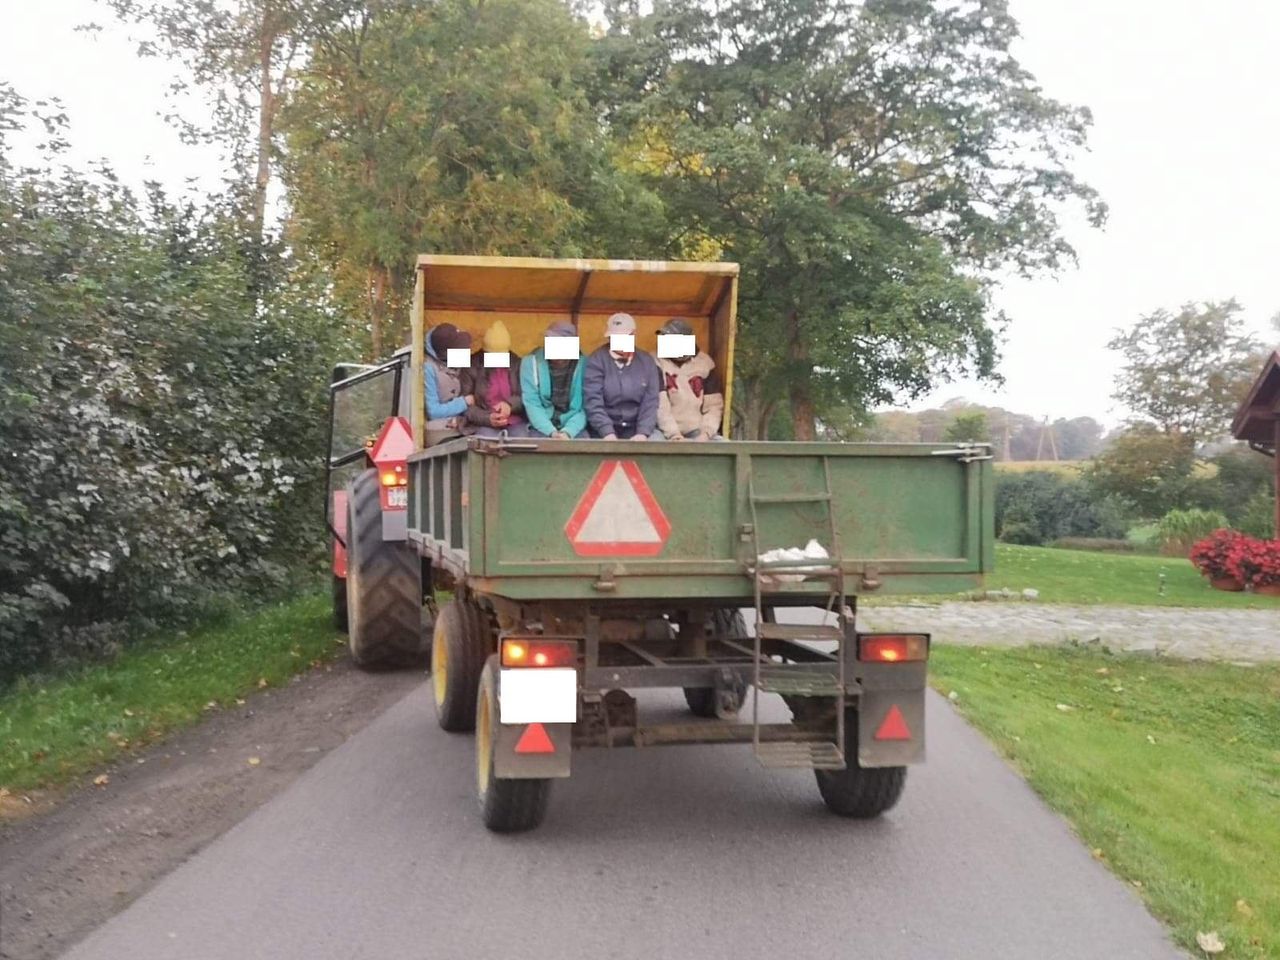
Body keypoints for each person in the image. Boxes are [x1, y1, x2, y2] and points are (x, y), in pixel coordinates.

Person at [583, 312, 660, 440]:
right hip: (602, 430)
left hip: (637, 428)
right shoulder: (596, 360)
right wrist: (607, 432)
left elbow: (650, 402)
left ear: (633, 335)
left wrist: (643, 433)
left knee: (658, 442)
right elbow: (592, 400)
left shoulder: (647, 361)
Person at [655, 318, 726, 441]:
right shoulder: (655, 361)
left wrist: (706, 433)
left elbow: (714, 406)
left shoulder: (705, 363)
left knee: (723, 446)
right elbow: (659, 405)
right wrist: (674, 434)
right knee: (653, 444)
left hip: (697, 430)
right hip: (663, 430)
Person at [460, 320, 529, 438]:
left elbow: (527, 396)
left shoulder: (517, 364)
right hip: (483, 422)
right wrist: (487, 418)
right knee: (485, 442)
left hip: (514, 420)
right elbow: (465, 406)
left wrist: (510, 405)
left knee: (521, 441)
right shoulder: (471, 366)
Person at [521, 320, 588, 439]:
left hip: (575, 426)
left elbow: (585, 406)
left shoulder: (585, 365)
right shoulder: (530, 363)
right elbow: (532, 403)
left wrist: (568, 431)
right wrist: (551, 432)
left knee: (585, 446)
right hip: (541, 426)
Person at [424, 322, 474, 444]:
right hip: (440, 429)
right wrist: (464, 402)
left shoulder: (462, 361)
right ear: (444, 354)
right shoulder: (428, 369)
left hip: (464, 421)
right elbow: (433, 412)